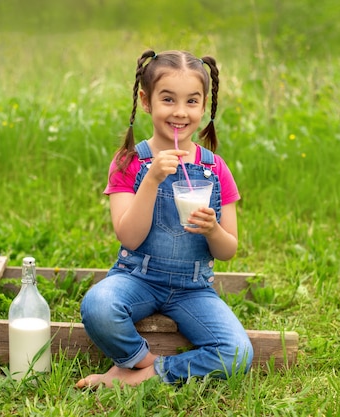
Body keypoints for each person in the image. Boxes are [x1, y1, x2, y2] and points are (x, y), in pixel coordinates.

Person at [76, 50, 253, 388]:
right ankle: (144, 364)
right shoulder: (129, 163)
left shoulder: (215, 169)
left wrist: (213, 229)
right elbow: (129, 237)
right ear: (146, 101)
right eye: (168, 99)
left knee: (239, 353)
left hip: (193, 289)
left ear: (204, 107)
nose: (180, 112)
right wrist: (152, 179)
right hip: (137, 278)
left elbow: (228, 249)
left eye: (191, 101)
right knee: (98, 305)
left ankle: (136, 378)